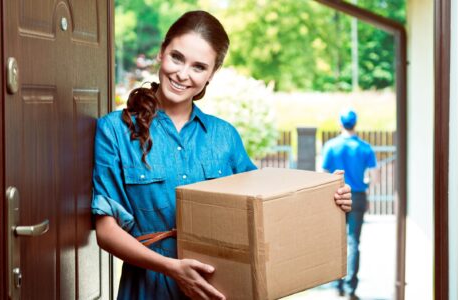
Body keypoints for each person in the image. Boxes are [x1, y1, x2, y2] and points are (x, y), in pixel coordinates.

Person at [92, 10, 353, 300]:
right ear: (161, 52)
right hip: (148, 289)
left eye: (199, 67)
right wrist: (171, 267)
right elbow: (106, 230)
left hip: (221, 289)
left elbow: (266, 211)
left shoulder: (224, 136)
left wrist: (329, 199)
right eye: (177, 57)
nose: (182, 74)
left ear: (211, 75)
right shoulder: (114, 130)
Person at [321, 109, 377, 300]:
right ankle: (351, 286)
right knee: (353, 241)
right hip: (358, 196)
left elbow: (322, 173)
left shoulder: (331, 146)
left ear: (340, 124)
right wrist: (364, 184)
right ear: (356, 124)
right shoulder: (365, 148)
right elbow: (374, 177)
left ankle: (337, 282)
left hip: (335, 196)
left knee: (338, 240)